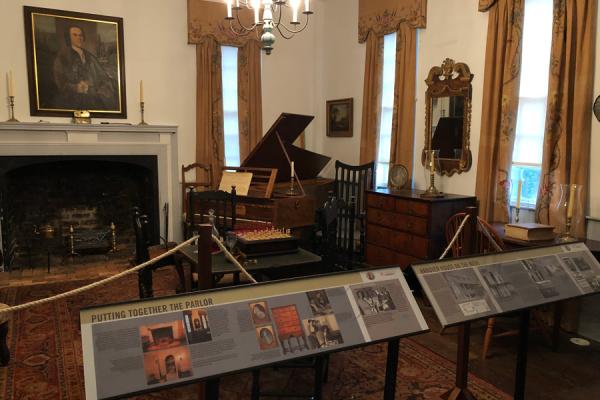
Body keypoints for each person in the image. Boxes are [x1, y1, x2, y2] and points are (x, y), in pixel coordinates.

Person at [53, 25, 117, 110]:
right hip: (72, 101)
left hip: (93, 99)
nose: (79, 37)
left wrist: (99, 88)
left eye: (80, 35)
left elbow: (103, 77)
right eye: (75, 35)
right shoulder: (63, 56)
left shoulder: (90, 56)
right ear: (68, 37)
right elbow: (59, 80)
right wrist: (75, 87)